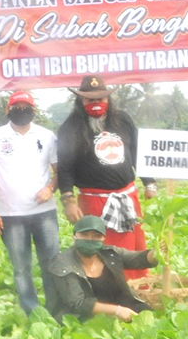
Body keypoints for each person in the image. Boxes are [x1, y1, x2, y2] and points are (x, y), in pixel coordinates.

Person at [57, 75, 156, 280]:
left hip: (127, 197)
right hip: (94, 201)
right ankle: (107, 290)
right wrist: (68, 201)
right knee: (100, 248)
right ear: (81, 100)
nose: (96, 103)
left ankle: (135, 287)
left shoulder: (123, 120)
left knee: (133, 247)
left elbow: (138, 152)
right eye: (90, 100)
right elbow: (65, 167)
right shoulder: (70, 128)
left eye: (100, 99)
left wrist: (149, 183)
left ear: (108, 99)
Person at [0, 90, 59, 315]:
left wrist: (50, 188)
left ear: (34, 110)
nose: (21, 111)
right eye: (16, 107)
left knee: (52, 263)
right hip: (10, 214)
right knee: (21, 267)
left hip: (44, 212)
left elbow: (59, 171)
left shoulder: (47, 136)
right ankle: (30, 310)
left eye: (26, 108)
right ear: (8, 110)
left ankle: (55, 308)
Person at [47, 215, 160, 324]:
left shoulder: (110, 254)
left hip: (123, 305)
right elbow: (77, 304)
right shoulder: (63, 264)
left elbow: (139, 259)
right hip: (85, 316)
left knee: (152, 321)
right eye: (84, 235)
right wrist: (117, 311)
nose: (90, 239)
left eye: (96, 236)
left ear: (103, 239)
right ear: (74, 236)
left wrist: (157, 252)